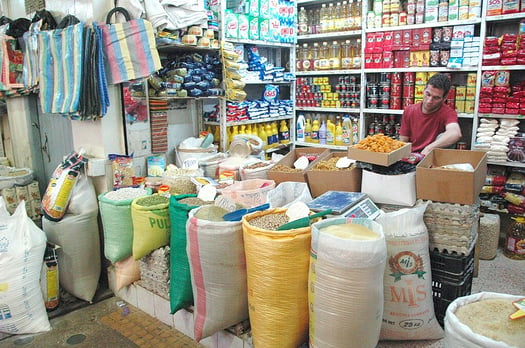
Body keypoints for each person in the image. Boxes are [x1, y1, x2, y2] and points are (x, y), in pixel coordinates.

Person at [399, 73, 462, 156]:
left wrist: (429, 148)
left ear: (445, 98)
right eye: (428, 94)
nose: (429, 101)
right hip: (412, 157)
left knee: (443, 137)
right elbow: (403, 141)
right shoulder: (409, 110)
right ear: (424, 90)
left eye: (436, 98)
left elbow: (455, 133)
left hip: (432, 157)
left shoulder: (448, 113)